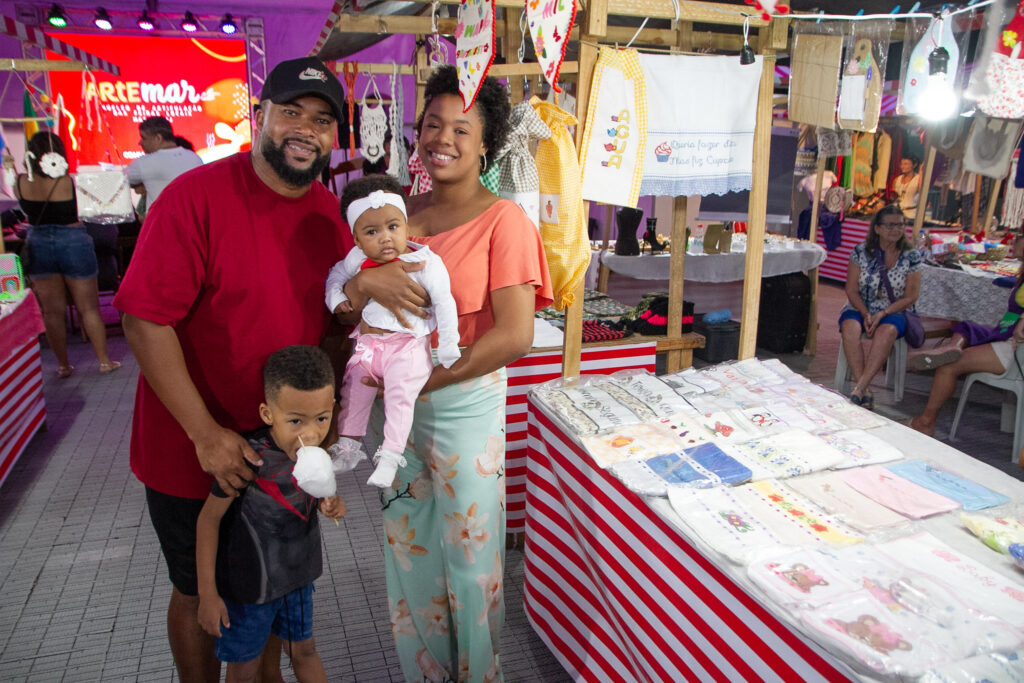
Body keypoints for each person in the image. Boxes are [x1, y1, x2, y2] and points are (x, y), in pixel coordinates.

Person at [112, 56, 352, 683]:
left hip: (279, 447)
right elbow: (143, 319)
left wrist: (320, 429)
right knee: (199, 589)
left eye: (322, 119)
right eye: (291, 112)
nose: (305, 129)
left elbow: (333, 332)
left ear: (335, 136)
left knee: (267, 588)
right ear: (259, 117)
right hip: (189, 442)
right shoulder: (195, 198)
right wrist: (204, 434)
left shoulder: (331, 219)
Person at [341, 64, 553, 682]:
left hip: (463, 414)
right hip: (400, 419)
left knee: (472, 559)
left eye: (462, 128)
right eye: (433, 123)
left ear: (487, 142)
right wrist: (358, 283)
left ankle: (479, 675)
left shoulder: (504, 221)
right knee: (409, 551)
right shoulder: (399, 218)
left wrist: (426, 382)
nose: (443, 138)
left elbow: (515, 334)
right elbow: (354, 299)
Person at [196, 345, 345, 683]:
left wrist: (334, 503)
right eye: (295, 421)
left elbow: (327, 499)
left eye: (321, 418)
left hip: (298, 580)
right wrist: (208, 593)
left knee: (305, 652)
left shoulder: (318, 453)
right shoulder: (249, 459)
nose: (309, 433)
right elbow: (208, 520)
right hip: (249, 590)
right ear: (267, 414)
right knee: (245, 670)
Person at [325, 174, 461, 488]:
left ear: (405, 225)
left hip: (408, 348)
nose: (385, 237)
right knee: (353, 390)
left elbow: (444, 302)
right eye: (372, 232)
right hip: (369, 345)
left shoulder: (425, 261)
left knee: (400, 398)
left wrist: (450, 343)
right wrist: (338, 299)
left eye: (393, 227)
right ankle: (348, 445)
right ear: (357, 240)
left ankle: (389, 456)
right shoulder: (357, 259)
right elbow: (335, 275)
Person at [16, 130, 120, 377]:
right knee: (89, 308)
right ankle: (104, 361)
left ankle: (63, 366)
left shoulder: (21, 181)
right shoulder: (69, 182)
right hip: (73, 240)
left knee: (52, 312)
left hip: (38, 241)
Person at [911, 232, 1024, 436]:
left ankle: (925, 422)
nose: (1014, 240)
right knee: (967, 327)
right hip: (1007, 333)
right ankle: (952, 347)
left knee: (949, 365)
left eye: (1020, 236)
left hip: (1015, 350)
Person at [838, 203, 923, 409]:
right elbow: (851, 289)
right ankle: (864, 388)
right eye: (890, 225)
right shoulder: (860, 251)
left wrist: (883, 312)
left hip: (894, 309)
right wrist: (865, 312)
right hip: (861, 305)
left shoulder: (911, 256)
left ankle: (859, 389)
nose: (897, 229)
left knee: (887, 331)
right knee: (850, 327)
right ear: (877, 228)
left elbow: (911, 296)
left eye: (901, 225)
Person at [127, 116, 203, 218]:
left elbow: (119, 181)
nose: (140, 142)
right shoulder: (195, 158)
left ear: (158, 138)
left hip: (161, 226)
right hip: (192, 223)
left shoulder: (145, 163)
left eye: (143, 138)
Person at [892, 156, 921, 220]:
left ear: (914, 165)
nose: (902, 166)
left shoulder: (918, 179)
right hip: (897, 213)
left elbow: (921, 190)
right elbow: (893, 195)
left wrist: (921, 171)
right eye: (901, 164)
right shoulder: (897, 179)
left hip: (911, 214)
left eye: (906, 164)